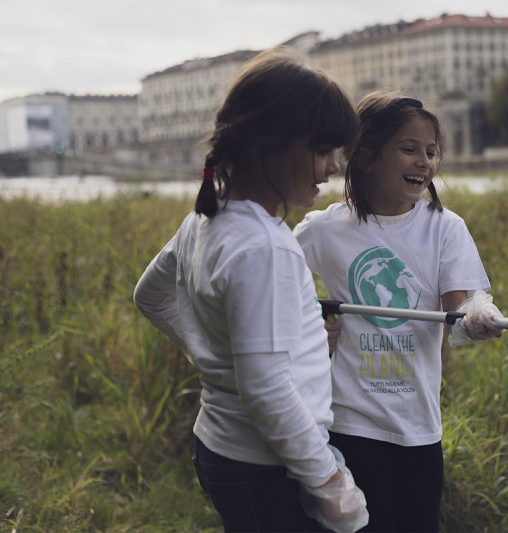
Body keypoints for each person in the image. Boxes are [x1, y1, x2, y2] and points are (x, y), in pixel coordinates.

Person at [133, 48, 369, 533]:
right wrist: (329, 482)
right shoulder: (266, 247)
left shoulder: (205, 217)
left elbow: (149, 296)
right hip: (267, 464)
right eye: (322, 150)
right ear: (270, 143)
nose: (331, 168)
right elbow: (264, 390)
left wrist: (220, 359)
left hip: (220, 449)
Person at [293, 91, 503, 532]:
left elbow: (460, 312)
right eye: (409, 149)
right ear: (366, 156)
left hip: (419, 426)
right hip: (349, 422)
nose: (424, 162)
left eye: (430, 152)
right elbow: (274, 286)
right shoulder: (324, 229)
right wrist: (311, 324)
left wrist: (479, 316)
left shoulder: (445, 228)